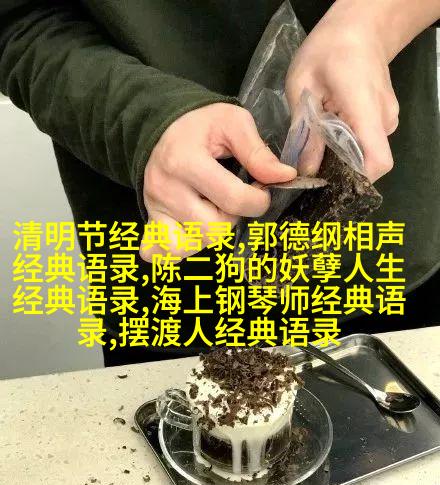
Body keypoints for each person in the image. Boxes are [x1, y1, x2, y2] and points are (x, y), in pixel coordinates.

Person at [1, 1, 439, 366]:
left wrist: (373, 21)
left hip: (385, 255)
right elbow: (18, 22)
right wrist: (140, 115)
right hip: (177, 271)